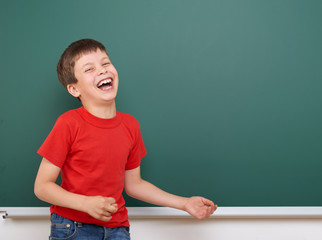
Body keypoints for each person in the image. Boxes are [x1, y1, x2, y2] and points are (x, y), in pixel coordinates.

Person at [34, 38, 217, 240]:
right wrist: (85, 204)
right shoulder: (69, 123)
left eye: (105, 63)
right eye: (89, 69)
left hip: (118, 229)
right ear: (74, 89)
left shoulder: (130, 125)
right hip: (73, 227)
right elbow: (42, 186)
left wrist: (184, 203)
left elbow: (134, 185)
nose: (102, 70)